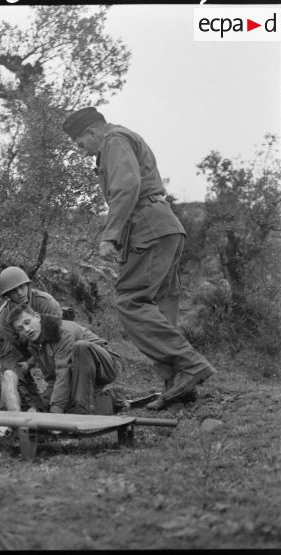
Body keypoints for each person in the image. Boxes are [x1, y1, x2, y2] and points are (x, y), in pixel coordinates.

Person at [62, 106, 217, 410]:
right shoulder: (122, 138)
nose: (81, 152)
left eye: (81, 144)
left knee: (129, 300)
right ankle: (179, 385)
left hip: (148, 227)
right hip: (164, 227)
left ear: (93, 132)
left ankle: (190, 366)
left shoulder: (113, 142)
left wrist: (111, 233)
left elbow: (127, 186)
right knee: (159, 306)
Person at [7, 303, 125, 415]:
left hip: (107, 365)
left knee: (81, 347)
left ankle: (81, 414)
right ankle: (111, 398)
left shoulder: (62, 333)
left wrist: (56, 411)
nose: (27, 329)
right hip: (80, 373)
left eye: (27, 322)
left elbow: (63, 373)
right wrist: (42, 406)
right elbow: (53, 379)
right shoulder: (35, 344)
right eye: (20, 328)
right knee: (47, 405)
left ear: (37, 317)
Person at [0, 266, 62, 349]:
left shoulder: (46, 302)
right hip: (27, 351)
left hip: (54, 345)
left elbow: (58, 331)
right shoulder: (4, 314)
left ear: (27, 285)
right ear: (7, 295)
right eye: (13, 291)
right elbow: (12, 344)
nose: (20, 293)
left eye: (21, 287)